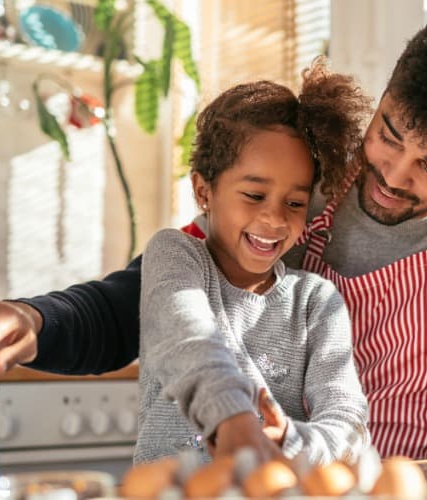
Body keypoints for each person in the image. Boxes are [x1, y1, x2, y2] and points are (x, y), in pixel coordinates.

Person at [0, 5, 427, 459]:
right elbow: (153, 300)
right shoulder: (303, 189)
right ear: (382, 100)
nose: (392, 174)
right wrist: (35, 319)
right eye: (389, 134)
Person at [134, 60, 371, 465]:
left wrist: (291, 442)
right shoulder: (174, 256)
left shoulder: (315, 301)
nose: (275, 219)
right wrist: (234, 420)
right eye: (255, 196)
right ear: (203, 191)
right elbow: (189, 339)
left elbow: (347, 420)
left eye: (294, 203)